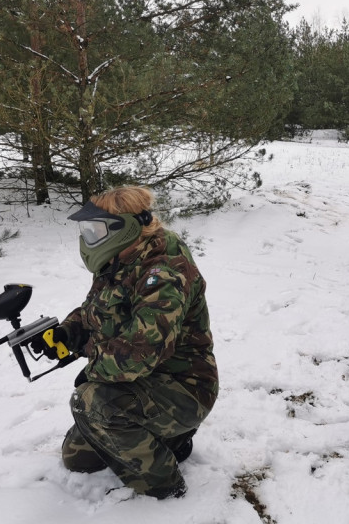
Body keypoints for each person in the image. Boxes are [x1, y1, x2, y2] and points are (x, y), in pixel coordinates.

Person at [33, 186, 218, 499]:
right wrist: (67, 332)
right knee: (77, 457)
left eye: (95, 230)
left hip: (184, 386)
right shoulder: (122, 257)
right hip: (147, 381)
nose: (88, 238)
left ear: (126, 228)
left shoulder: (164, 273)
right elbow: (97, 312)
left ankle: (164, 486)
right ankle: (169, 441)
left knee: (91, 402)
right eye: (86, 230)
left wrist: (88, 353)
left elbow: (137, 356)